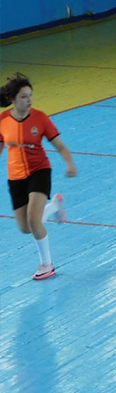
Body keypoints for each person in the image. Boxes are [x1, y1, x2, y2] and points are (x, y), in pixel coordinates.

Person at [0, 72, 76, 280]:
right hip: (15, 177)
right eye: (24, 96)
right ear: (13, 99)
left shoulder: (40, 118)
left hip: (39, 171)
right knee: (26, 227)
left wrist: (69, 163)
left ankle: (47, 264)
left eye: (30, 95)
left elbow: (60, 145)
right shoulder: (3, 120)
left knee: (34, 220)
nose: (29, 100)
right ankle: (54, 207)